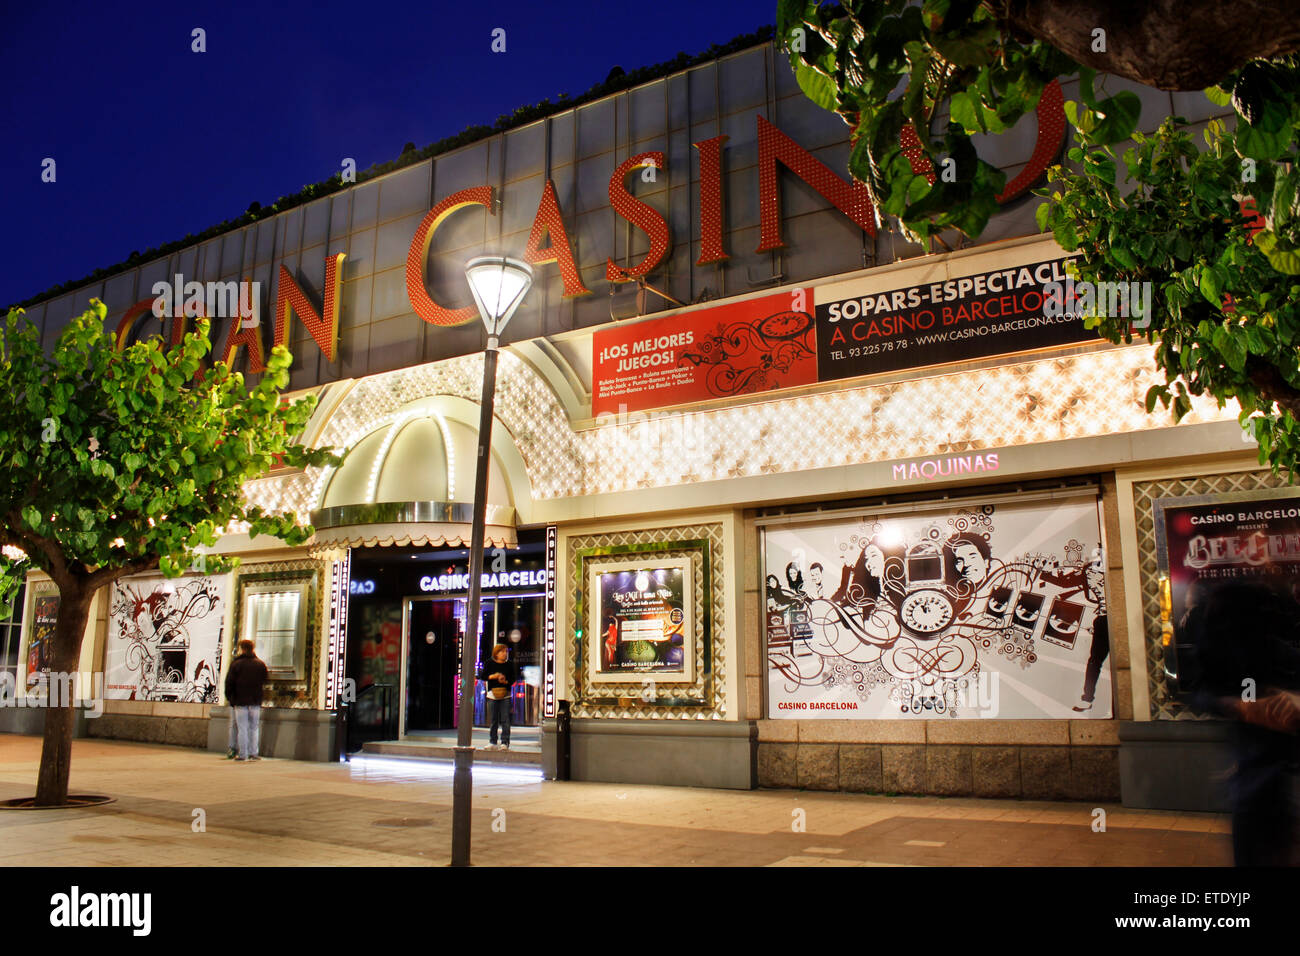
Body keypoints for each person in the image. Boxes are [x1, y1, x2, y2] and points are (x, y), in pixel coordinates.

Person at [1189, 580, 1300, 866]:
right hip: (1253, 776)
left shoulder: (1275, 652)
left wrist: (1290, 700)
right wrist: (1243, 706)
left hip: (1272, 776)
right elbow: (1203, 692)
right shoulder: (1229, 654)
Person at [224, 639, 269, 762]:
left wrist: (230, 698)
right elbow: (265, 680)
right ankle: (254, 753)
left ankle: (243, 753)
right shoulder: (260, 664)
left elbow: (229, 683)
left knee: (242, 727)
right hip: (255, 700)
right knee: (254, 727)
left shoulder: (236, 664)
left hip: (240, 700)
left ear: (242, 649)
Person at [479, 644, 517, 750]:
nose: (505, 654)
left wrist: (505, 681)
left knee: (505, 719)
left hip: (506, 694)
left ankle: (505, 742)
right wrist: (494, 676)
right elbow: (483, 676)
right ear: (496, 653)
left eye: (506, 652)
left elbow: (513, 678)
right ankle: (493, 741)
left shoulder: (509, 664)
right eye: (502, 652)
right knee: (493, 719)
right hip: (492, 694)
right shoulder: (489, 663)